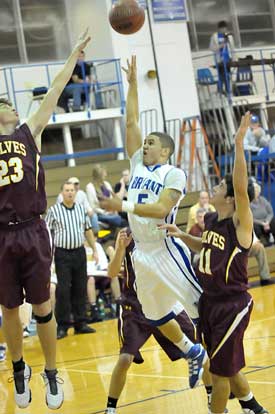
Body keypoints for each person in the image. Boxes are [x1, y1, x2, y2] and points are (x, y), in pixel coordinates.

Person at [100, 56, 207, 390]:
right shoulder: (138, 164)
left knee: (202, 305)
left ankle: (218, 360)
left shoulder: (173, 173)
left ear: (165, 152)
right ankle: (193, 352)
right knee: (156, 314)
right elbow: (131, 121)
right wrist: (132, 85)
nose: (144, 145)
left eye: (151, 143)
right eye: (145, 143)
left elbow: (162, 209)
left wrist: (124, 204)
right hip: (141, 255)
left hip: (164, 247)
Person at [0, 27, 90, 410]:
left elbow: (54, 89)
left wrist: (72, 55)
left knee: (41, 307)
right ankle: (19, 368)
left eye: (11, 105)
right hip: (1, 235)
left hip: (33, 230)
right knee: (8, 310)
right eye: (5, 104)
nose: (10, 107)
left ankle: (51, 372)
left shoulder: (28, 132)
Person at [161, 113, 269, 414]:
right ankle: (254, 408)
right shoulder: (211, 219)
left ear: (232, 198)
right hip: (208, 301)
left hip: (232, 304)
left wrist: (237, 145)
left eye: (222, 186)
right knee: (223, 363)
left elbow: (240, 183)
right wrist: (182, 235)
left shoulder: (240, 223)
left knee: (219, 374)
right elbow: (206, 246)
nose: (217, 187)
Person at [105, 228, 213, 414]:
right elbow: (112, 272)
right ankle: (110, 409)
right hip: (135, 306)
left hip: (164, 301)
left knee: (199, 349)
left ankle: (213, 397)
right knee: (124, 359)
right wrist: (120, 249)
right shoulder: (126, 234)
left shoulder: (161, 230)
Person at [45, 181, 98, 339]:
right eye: (67, 190)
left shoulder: (81, 210)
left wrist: (95, 250)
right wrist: (48, 256)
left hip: (79, 253)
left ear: (76, 193)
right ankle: (62, 325)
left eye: (72, 190)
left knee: (80, 287)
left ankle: (81, 323)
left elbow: (88, 231)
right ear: (61, 193)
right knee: (63, 290)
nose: (69, 193)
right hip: (62, 255)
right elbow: (47, 234)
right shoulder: (54, 211)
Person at [86, 164, 127, 229]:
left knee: (126, 213)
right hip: (100, 213)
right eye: (104, 173)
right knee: (117, 219)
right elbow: (93, 207)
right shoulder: (90, 187)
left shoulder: (107, 184)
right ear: (99, 174)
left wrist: (113, 210)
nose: (106, 174)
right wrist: (105, 212)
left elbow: (112, 200)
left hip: (111, 210)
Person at [210, 21, 235, 94]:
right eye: (222, 28)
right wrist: (221, 45)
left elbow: (232, 48)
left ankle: (228, 91)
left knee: (227, 76)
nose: (224, 30)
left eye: (225, 28)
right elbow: (212, 48)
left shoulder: (229, 36)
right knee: (221, 76)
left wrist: (233, 58)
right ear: (219, 29)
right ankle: (220, 91)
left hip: (228, 60)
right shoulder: (215, 36)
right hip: (219, 60)